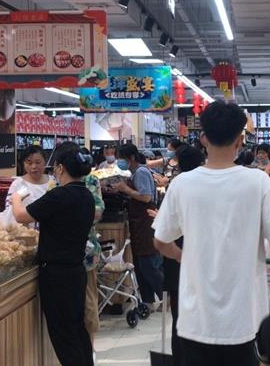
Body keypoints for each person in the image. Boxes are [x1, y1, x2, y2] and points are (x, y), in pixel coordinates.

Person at [153, 101, 270, 366]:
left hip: (196, 316)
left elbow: (161, 241)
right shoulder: (258, 182)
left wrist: (182, 256)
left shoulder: (182, 184)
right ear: (240, 141)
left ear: (203, 139)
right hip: (242, 316)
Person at [11, 142, 95, 366]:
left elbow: (20, 216)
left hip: (57, 275)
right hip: (76, 271)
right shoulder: (86, 195)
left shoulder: (59, 195)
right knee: (76, 329)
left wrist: (16, 198)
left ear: (59, 168)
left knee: (63, 335)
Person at [147, 144, 206, 366]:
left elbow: (162, 235)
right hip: (203, 259)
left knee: (179, 317)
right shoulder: (208, 185)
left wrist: (177, 254)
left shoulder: (177, 185)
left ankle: (181, 360)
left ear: (180, 164)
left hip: (178, 258)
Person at [113, 143, 164, 309]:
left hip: (145, 222)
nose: (119, 162)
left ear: (131, 158)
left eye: (121, 158)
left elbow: (146, 197)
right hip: (138, 223)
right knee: (141, 265)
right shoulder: (133, 172)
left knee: (148, 264)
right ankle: (148, 300)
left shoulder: (141, 172)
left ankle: (166, 297)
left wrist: (125, 189)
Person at [79, 148, 104, 351]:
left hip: (85, 251)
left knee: (87, 299)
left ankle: (89, 348)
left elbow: (97, 212)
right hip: (64, 253)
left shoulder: (90, 180)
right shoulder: (53, 183)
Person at [5, 145, 53, 215]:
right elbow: (8, 209)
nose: (34, 166)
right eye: (29, 163)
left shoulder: (53, 181)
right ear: (24, 163)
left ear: (45, 162)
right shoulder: (18, 184)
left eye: (38, 162)